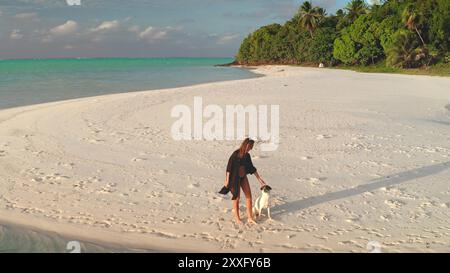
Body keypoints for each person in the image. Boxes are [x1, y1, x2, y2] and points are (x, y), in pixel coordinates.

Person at [221, 138, 267, 224]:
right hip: (234, 179)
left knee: (249, 196)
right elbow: (229, 168)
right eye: (248, 147)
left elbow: (252, 169)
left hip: (243, 178)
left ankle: (250, 217)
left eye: (250, 147)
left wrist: (260, 179)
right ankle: (238, 218)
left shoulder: (247, 156)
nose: (249, 149)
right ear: (244, 145)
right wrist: (227, 180)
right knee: (236, 198)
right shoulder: (236, 154)